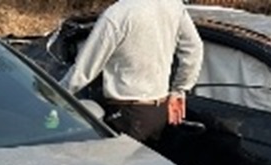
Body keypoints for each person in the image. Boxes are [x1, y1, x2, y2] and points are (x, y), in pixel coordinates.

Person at [59, 0, 203, 144]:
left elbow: (84, 69)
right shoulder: (173, 5)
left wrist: (54, 95)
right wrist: (179, 90)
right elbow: (194, 48)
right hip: (159, 113)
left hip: (127, 115)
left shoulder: (117, 14)